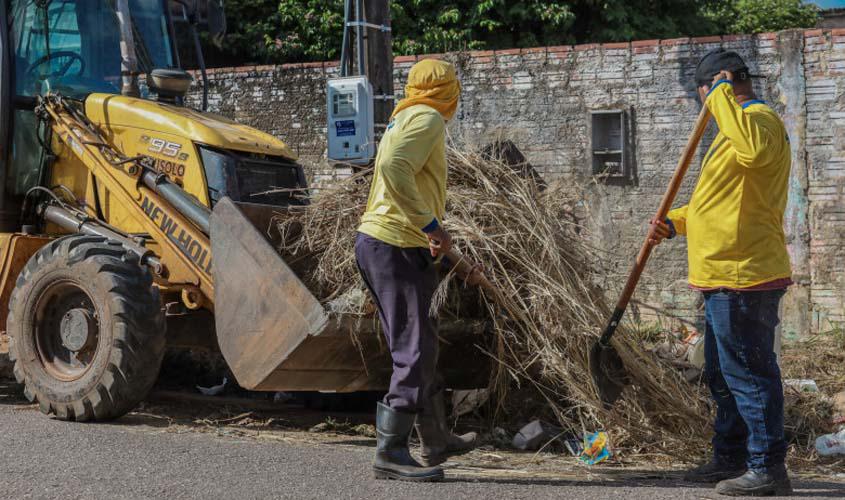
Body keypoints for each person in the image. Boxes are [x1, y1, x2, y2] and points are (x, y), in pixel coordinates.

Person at [649, 49, 793, 497]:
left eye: (704, 95)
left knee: (749, 373)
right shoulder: (733, 129)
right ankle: (729, 457)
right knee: (722, 373)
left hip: (743, 274)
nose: (704, 106)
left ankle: (767, 467)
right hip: (718, 276)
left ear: (719, 86)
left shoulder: (760, 123)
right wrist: (675, 221)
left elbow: (751, 155)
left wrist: (722, 93)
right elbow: (717, 203)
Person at [355, 59, 481, 482]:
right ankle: (391, 452)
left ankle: (434, 439)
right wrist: (430, 225)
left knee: (419, 343)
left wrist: (434, 236)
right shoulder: (427, 117)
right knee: (414, 349)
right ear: (448, 92)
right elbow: (393, 169)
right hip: (395, 243)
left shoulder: (406, 115)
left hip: (389, 242)